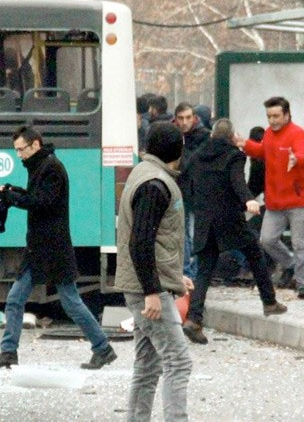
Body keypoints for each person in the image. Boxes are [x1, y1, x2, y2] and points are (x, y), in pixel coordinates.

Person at [0, 126, 116, 370]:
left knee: (70, 302)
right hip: (41, 247)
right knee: (16, 299)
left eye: (21, 150)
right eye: (16, 151)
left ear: (35, 145)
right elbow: (37, 197)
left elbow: (43, 203)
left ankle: (103, 348)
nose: (18, 155)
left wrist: (12, 198)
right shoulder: (42, 166)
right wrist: (13, 192)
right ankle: (8, 351)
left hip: (52, 248)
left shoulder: (51, 168)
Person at [182, 119, 286, 344]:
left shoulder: (198, 156)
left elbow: (184, 181)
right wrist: (248, 199)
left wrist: (195, 205)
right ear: (231, 137)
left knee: (204, 271)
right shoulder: (234, 155)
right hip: (229, 218)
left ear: (211, 136)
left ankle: (193, 319)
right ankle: (269, 302)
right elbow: (237, 180)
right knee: (255, 253)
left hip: (204, 220)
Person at [115, 122, 192, 421]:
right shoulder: (156, 185)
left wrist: (173, 277)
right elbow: (141, 242)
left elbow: (155, 241)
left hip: (148, 284)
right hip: (147, 290)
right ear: (178, 150)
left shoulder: (143, 173)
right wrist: (151, 291)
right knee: (178, 361)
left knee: (147, 367)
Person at [237, 96, 304, 299]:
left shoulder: (298, 134)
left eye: (276, 116)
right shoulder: (270, 134)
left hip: (298, 200)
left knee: (301, 243)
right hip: (275, 200)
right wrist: (244, 144)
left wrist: (296, 158)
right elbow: (263, 151)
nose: (272, 121)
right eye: (269, 116)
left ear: (287, 115)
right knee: (266, 239)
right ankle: (290, 264)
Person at [174, 102, 209, 280]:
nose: (185, 122)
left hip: (198, 191)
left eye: (188, 118)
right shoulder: (174, 135)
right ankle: (188, 271)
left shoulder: (203, 136)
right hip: (182, 190)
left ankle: (191, 270)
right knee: (185, 232)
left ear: (194, 118)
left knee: (194, 233)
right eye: (181, 118)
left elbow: (192, 162)